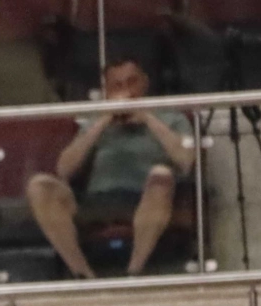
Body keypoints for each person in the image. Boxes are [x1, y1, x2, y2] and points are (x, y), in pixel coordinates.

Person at [26, 58, 195, 278]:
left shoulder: (171, 117)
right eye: (117, 85)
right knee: (39, 185)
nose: (126, 91)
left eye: (132, 82)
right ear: (107, 91)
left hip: (149, 197)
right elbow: (64, 169)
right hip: (97, 199)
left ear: (145, 83)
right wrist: (105, 119)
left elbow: (186, 160)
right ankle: (82, 275)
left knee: (161, 175)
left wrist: (147, 118)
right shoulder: (96, 121)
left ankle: (134, 272)